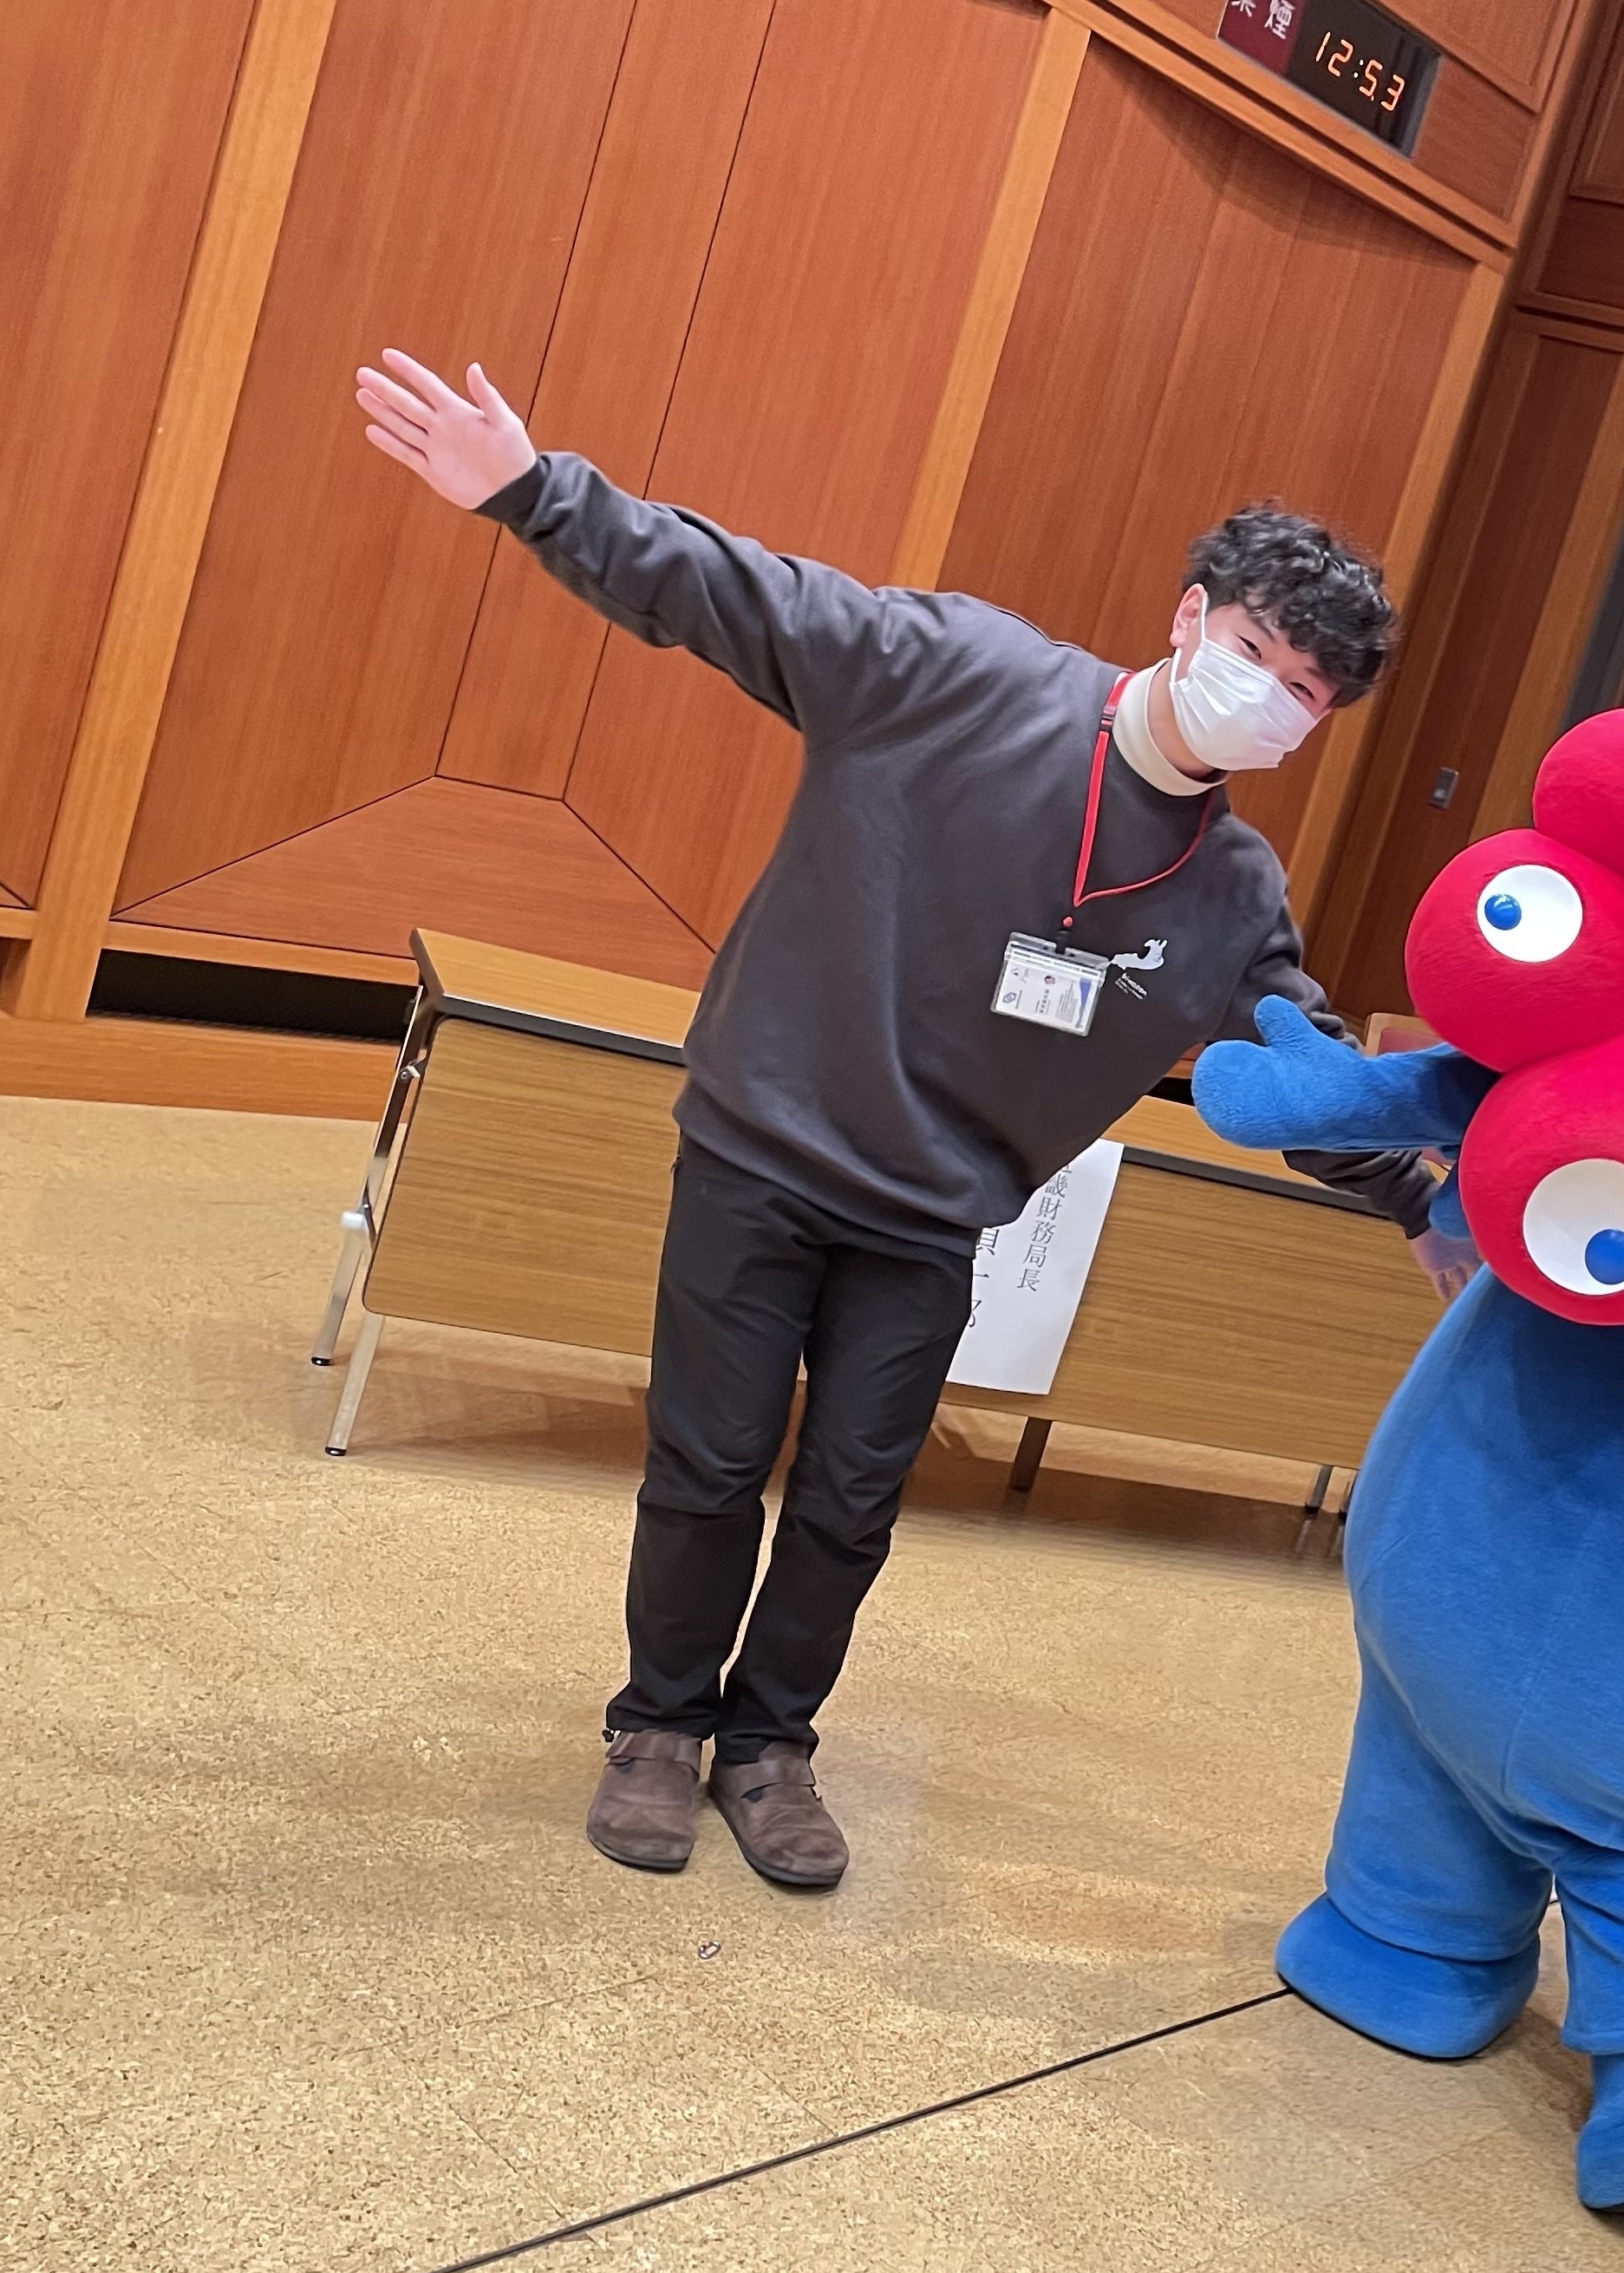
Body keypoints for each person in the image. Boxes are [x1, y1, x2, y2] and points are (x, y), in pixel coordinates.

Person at [354, 349, 1477, 1891]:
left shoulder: (1232, 889)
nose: (1266, 698)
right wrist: (535, 494)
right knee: (708, 1459)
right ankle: (658, 1725)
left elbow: (1300, 1068)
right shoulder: (954, 672)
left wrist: (1420, 1198)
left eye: (1303, 694)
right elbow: (737, 594)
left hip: (933, 1212)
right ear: (1187, 615)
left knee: (850, 1499)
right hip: (763, 1143)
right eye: (1252, 651)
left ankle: (769, 1744)